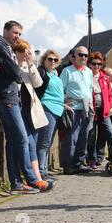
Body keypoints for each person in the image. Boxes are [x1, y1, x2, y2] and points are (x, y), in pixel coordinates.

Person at [0, 21, 40, 194]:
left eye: (19, 33)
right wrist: (17, 72)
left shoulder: (7, 47)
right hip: (6, 99)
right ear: (5, 30)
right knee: (22, 139)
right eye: (14, 32)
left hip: (10, 98)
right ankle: (32, 180)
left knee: (12, 142)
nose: (17, 36)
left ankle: (17, 184)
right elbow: (15, 72)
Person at [14, 39, 53, 192]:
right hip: (19, 109)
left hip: (31, 111)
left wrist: (30, 64)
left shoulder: (28, 66)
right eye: (23, 51)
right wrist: (19, 62)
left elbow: (38, 83)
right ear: (17, 52)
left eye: (28, 51)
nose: (26, 54)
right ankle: (36, 178)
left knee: (33, 143)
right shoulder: (14, 66)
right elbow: (14, 78)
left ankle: (36, 177)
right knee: (29, 143)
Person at [60, 46, 94, 175]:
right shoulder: (67, 71)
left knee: (83, 137)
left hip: (86, 109)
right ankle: (68, 166)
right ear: (74, 56)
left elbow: (90, 89)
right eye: (81, 55)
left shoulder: (89, 72)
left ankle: (78, 164)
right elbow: (60, 89)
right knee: (71, 138)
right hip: (73, 109)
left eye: (86, 55)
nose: (84, 57)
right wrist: (64, 102)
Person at [36, 49, 64, 180]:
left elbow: (59, 94)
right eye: (50, 59)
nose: (53, 61)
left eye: (55, 60)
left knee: (49, 142)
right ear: (44, 60)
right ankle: (41, 172)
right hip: (47, 108)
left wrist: (64, 104)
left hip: (58, 109)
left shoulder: (56, 75)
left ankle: (44, 170)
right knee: (44, 142)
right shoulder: (42, 72)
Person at [87, 52, 112, 170]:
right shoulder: (87, 75)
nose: (97, 66)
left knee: (110, 135)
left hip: (104, 111)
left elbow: (109, 94)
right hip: (91, 111)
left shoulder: (105, 77)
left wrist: (109, 107)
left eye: (99, 64)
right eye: (94, 63)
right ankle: (92, 160)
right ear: (90, 64)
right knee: (92, 136)